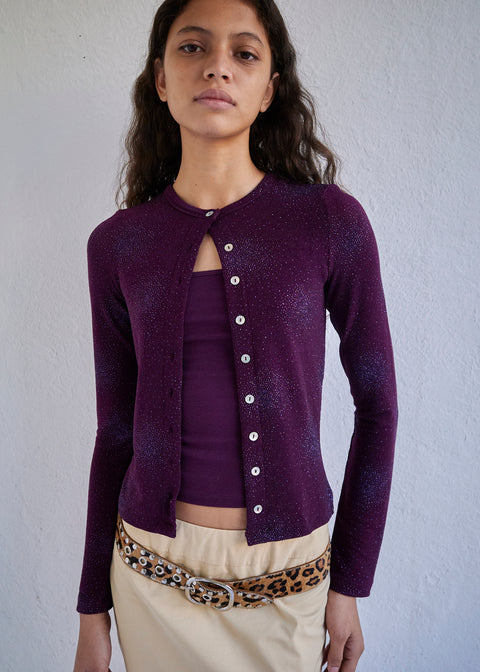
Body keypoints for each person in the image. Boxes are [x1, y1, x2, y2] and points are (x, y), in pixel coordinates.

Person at [73, 0, 398, 670]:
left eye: (243, 53)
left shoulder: (329, 223)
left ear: (269, 88)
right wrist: (91, 611)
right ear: (160, 79)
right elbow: (115, 432)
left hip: (289, 579)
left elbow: (379, 407)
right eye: (192, 47)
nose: (217, 66)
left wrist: (350, 584)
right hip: (148, 577)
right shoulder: (117, 245)